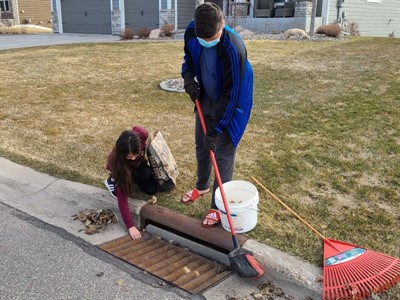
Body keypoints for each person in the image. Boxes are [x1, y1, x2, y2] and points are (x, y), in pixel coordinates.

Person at [181, 3, 254, 227]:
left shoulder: (234, 48)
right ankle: (202, 185)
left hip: (233, 100)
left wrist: (216, 128)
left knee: (222, 150)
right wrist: (187, 79)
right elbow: (189, 59)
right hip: (206, 94)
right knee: (201, 144)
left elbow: (231, 96)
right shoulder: (192, 32)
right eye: (205, 39)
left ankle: (217, 204)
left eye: (212, 38)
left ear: (222, 25)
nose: (208, 42)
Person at [104, 126, 158, 239]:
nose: (133, 158)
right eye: (129, 156)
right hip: (123, 171)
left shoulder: (141, 135)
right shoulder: (118, 164)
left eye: (135, 154)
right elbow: (122, 201)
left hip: (136, 168)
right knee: (124, 189)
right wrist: (130, 226)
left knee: (151, 188)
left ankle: (133, 177)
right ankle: (112, 181)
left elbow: (138, 129)